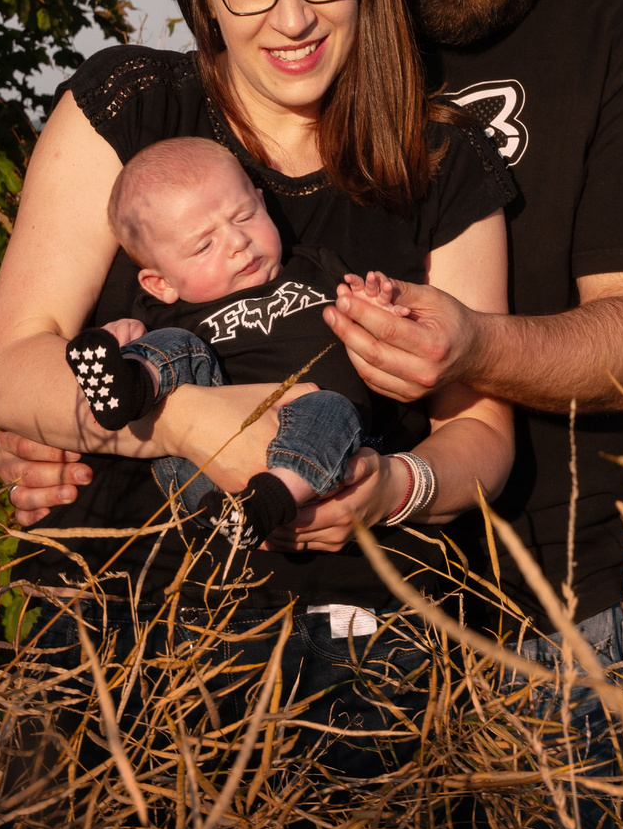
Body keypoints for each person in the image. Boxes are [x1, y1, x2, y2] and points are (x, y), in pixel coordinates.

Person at [0, 0, 516, 706]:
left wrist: (393, 490)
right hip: (120, 640)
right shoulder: (132, 108)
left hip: (361, 647)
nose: (291, 17)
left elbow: (485, 438)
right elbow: (5, 372)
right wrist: (185, 424)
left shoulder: (441, 164)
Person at [64, 134, 411, 543]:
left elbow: (368, 325)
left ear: (263, 204)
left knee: (331, 406)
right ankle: (131, 383)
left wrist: (377, 310)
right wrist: (121, 341)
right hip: (203, 470)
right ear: (160, 284)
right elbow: (158, 346)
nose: (237, 242)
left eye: (244, 216)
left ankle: (267, 500)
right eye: (205, 244)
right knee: (173, 342)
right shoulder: (164, 311)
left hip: (326, 456)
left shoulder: (315, 269)